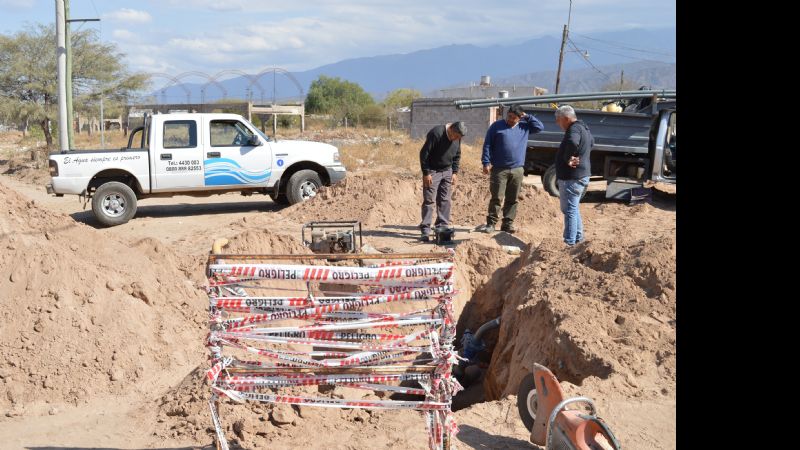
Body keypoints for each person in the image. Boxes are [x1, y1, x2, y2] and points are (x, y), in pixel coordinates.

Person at [476, 104, 544, 234]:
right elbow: (488, 144)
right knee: (497, 197)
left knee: (512, 198)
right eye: (509, 116)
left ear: (520, 118)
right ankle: (491, 223)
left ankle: (507, 223)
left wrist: (528, 117)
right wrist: (485, 162)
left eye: (514, 117)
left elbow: (540, 127)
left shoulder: (525, 126)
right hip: (499, 169)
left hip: (517, 169)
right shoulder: (496, 126)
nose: (510, 119)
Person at [418, 121, 467, 241]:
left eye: (458, 138)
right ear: (451, 129)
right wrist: (426, 173)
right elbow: (424, 154)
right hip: (433, 171)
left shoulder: (457, 137)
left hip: (447, 171)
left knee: (445, 200)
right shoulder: (436, 133)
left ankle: (442, 227)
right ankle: (425, 230)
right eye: (455, 136)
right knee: (429, 200)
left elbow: (457, 155)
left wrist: (454, 172)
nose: (455, 139)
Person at [554, 105, 594, 246]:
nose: (558, 124)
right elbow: (592, 143)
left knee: (569, 210)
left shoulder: (574, 129)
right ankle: (578, 239)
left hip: (572, 177)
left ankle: (569, 243)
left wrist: (568, 158)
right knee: (573, 208)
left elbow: (572, 142)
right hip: (580, 175)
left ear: (566, 118)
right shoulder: (584, 128)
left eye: (558, 121)